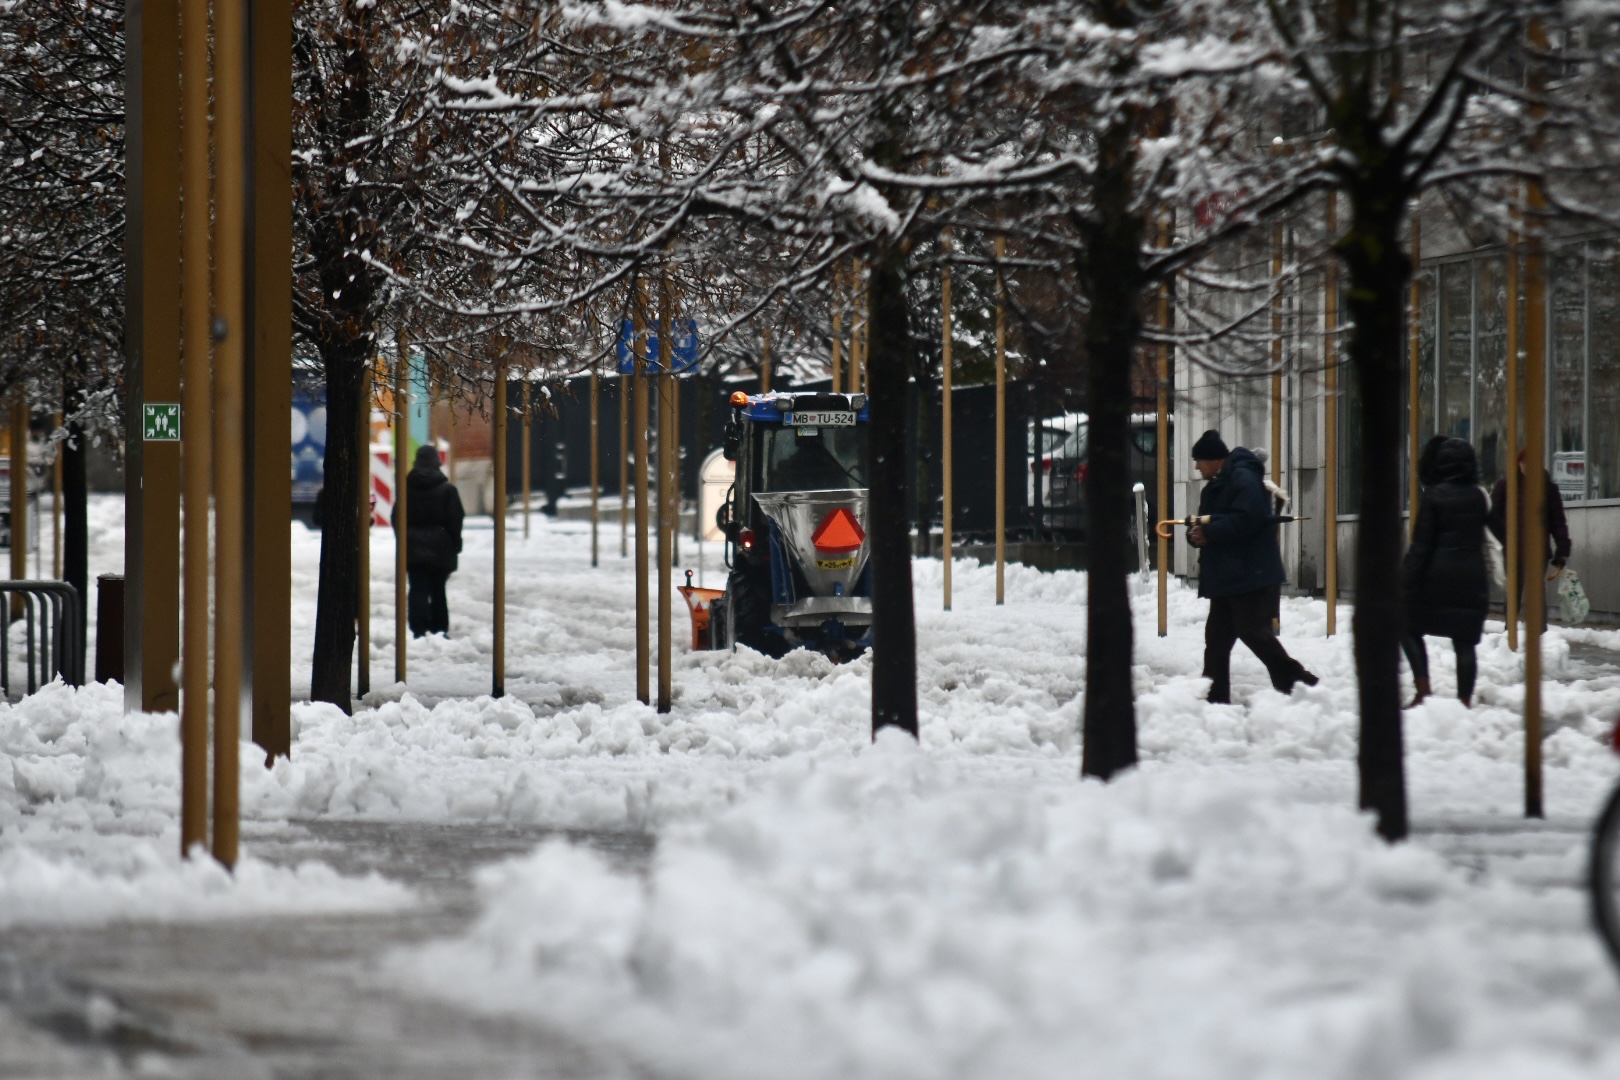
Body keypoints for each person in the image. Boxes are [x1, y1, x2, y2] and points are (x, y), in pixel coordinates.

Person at [1187, 429, 1319, 704]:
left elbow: (1249, 518)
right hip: (1230, 575)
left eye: (1199, 460)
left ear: (1214, 459)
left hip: (1248, 573)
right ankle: (1213, 696)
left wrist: (1210, 533)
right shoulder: (1219, 484)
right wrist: (1197, 535)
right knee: (1217, 639)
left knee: (1254, 633)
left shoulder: (1242, 477)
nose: (1197, 466)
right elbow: (1210, 522)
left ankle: (1299, 682)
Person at [1401, 438, 1489, 708]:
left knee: (1407, 627)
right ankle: (1464, 700)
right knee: (1464, 641)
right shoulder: (1478, 496)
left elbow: (1421, 546)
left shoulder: (1434, 495)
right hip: (1472, 577)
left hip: (1436, 578)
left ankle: (1422, 688)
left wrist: (1405, 581)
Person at [393, 444, 464, 637]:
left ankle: (418, 628)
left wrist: (404, 540)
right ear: (437, 463)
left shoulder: (406, 490)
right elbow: (455, 519)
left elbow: (397, 518)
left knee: (417, 588)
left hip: (413, 547)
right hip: (441, 547)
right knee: (438, 589)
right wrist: (455, 544)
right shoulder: (447, 490)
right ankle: (439, 627)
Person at [1487, 449, 1572, 599]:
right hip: (1512, 551)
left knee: (1537, 597)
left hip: (1537, 551)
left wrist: (1563, 549)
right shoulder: (1506, 486)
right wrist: (1502, 542)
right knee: (1513, 596)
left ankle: (1539, 623)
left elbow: (1558, 521)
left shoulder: (1547, 488)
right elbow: (1493, 519)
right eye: (1525, 462)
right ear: (1519, 464)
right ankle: (1510, 622)